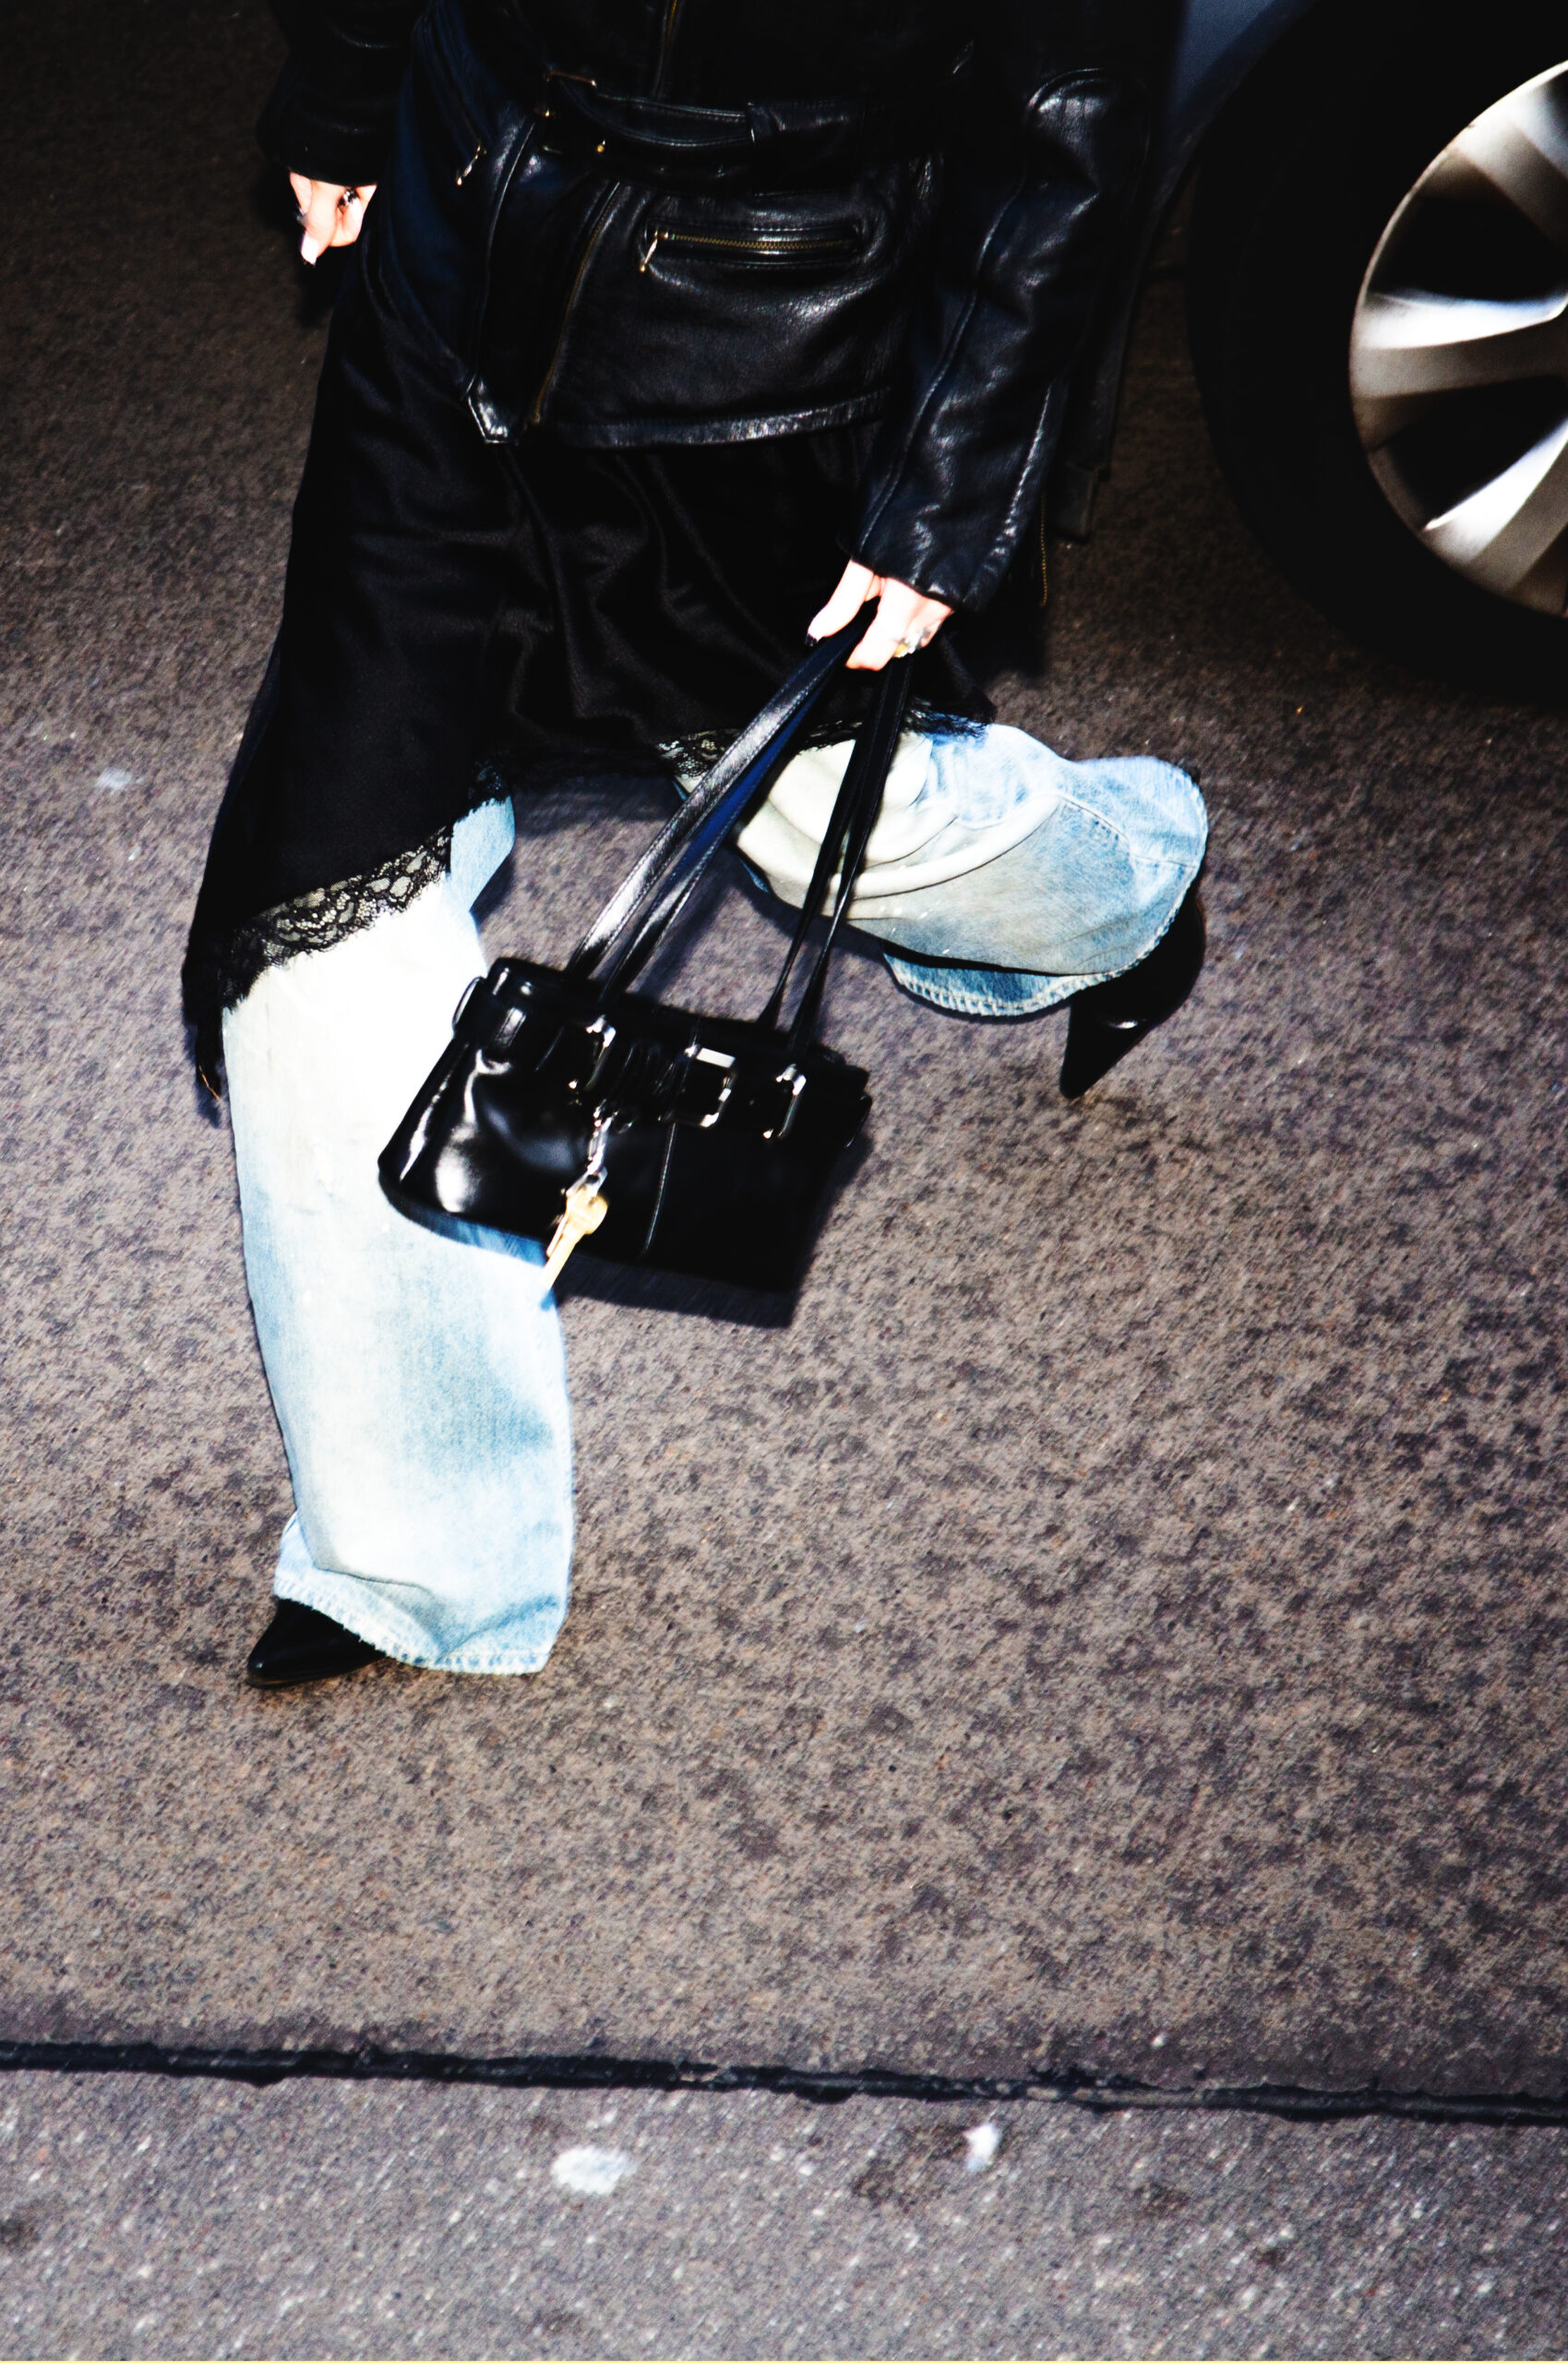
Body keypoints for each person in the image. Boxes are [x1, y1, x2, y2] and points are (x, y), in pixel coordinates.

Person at [185, 0, 1208, 1688]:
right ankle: (417, 1554)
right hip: (461, 253)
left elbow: (1072, 93)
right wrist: (351, 90)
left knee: (828, 824)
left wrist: (950, 480)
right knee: (327, 898)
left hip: (765, 352)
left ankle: (1121, 891)